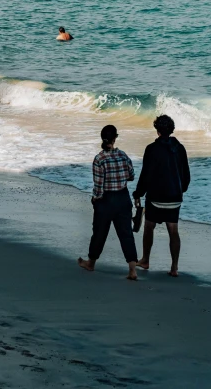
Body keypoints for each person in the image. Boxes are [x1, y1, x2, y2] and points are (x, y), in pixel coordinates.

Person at [133, 114, 190, 277]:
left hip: (156, 197)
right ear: (171, 129)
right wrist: (180, 190)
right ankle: (174, 268)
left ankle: (145, 260)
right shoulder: (180, 148)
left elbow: (145, 175)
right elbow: (186, 175)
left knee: (149, 227)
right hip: (174, 197)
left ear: (157, 130)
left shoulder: (151, 149)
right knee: (173, 230)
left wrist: (138, 194)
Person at [78, 125, 138, 280]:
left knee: (99, 233)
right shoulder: (123, 155)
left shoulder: (99, 158)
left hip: (106, 200)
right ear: (115, 138)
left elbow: (98, 185)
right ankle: (132, 270)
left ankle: (91, 263)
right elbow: (131, 176)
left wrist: (95, 198)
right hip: (123, 198)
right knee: (126, 234)